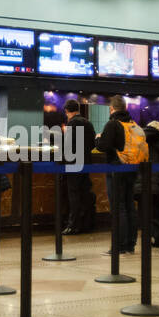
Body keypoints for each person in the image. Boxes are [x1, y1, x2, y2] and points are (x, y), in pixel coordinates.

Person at [94, 95, 144, 254]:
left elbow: (103, 146)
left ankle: (119, 245)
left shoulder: (112, 124)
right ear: (125, 108)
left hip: (116, 169)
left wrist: (98, 138)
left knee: (118, 207)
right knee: (129, 206)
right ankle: (130, 243)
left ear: (111, 109)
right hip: (132, 169)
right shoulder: (133, 124)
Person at [62, 99, 96, 234]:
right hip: (86, 162)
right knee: (84, 193)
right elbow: (93, 144)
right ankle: (86, 223)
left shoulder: (72, 123)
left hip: (73, 163)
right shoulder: (87, 122)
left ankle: (73, 225)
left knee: (74, 194)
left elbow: (67, 145)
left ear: (66, 111)